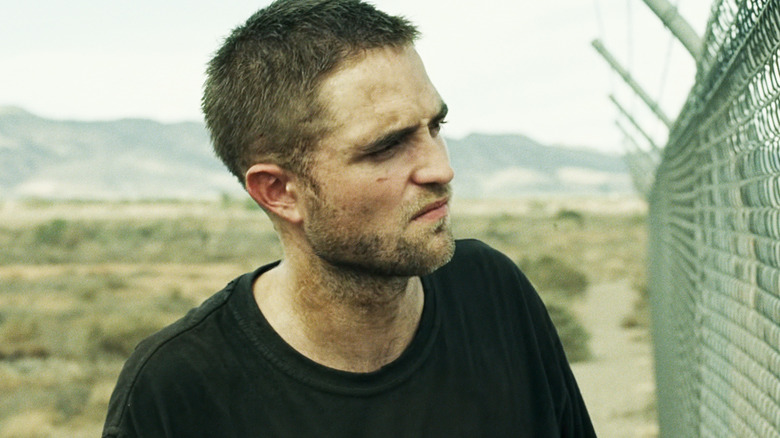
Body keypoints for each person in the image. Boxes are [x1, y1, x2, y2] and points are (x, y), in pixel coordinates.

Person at [102, 0, 596, 436]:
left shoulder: (491, 291)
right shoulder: (176, 390)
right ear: (278, 192)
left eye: (435, 126)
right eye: (387, 146)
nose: (441, 168)